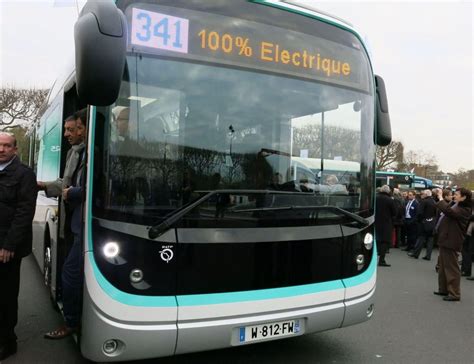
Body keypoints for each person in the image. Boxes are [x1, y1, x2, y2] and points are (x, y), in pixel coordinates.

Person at [44, 109, 87, 339]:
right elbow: (65, 183)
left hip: (83, 225)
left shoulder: (92, 153)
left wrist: (73, 192)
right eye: (67, 130)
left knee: (70, 275)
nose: (68, 134)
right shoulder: (74, 152)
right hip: (72, 224)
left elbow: (92, 188)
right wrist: (44, 186)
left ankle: (71, 323)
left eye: (74, 129)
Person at [0, 132, 37, 360]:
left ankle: (7, 341)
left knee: (5, 295)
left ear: (15, 149)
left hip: (7, 247)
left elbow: (24, 213)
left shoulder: (24, 175)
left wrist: (9, 245)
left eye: (6, 146)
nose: (1, 149)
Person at [433, 188, 472, 301]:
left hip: (452, 240)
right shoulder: (456, 205)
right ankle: (444, 289)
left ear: (464, 197)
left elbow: (448, 211)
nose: (454, 196)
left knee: (451, 268)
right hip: (446, 239)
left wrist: (441, 198)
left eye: (457, 194)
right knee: (443, 267)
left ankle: (454, 293)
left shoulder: (465, 209)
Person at [409, 189, 437, 260]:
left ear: (426, 195)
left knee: (421, 238)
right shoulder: (434, 202)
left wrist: (419, 220)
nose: (421, 195)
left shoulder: (423, 201)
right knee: (430, 239)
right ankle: (428, 255)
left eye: (423, 194)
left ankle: (416, 253)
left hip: (423, 222)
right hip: (432, 222)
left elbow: (419, 213)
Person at [375, 185, 397, 267]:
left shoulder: (375, 198)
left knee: (376, 240)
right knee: (384, 241)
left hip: (375, 222)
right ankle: (382, 260)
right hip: (386, 223)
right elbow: (394, 212)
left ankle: (373, 259)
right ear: (388, 191)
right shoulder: (390, 200)